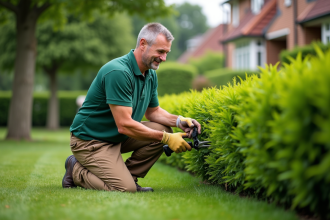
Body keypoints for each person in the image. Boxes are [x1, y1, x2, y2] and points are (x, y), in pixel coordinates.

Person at [62, 23, 202, 193]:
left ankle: (129, 177)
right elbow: (124, 124)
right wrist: (167, 139)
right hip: (90, 141)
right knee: (125, 189)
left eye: (166, 53)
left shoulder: (150, 74)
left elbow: (153, 112)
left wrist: (179, 121)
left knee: (163, 128)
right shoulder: (118, 72)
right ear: (143, 44)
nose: (164, 58)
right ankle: (75, 169)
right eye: (160, 52)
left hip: (115, 137)